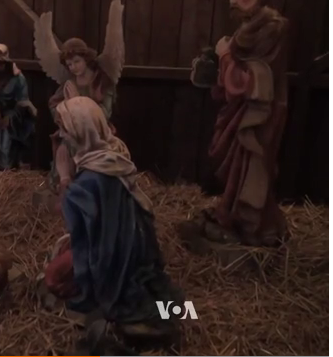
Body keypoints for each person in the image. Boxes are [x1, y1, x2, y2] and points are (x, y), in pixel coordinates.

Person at [43, 96, 184, 340]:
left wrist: (64, 176)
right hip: (135, 245)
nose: (61, 134)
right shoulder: (113, 153)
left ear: (80, 132)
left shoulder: (88, 182)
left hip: (106, 253)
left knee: (53, 277)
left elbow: (69, 218)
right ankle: (176, 311)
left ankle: (143, 314)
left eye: (65, 129)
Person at [184, 0, 289, 247]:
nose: (233, 1)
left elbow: (255, 79)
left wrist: (226, 56)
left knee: (252, 164)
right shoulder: (247, 25)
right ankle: (230, 212)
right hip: (241, 109)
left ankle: (255, 225)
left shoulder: (271, 27)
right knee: (235, 165)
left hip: (260, 114)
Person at [33, 0, 124, 195]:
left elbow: (105, 111)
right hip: (73, 132)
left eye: (76, 62)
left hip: (98, 132)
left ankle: (95, 189)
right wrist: (65, 114)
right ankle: (66, 186)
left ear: (87, 59)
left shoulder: (102, 81)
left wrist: (81, 109)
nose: (73, 67)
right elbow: (54, 103)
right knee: (64, 148)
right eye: (69, 64)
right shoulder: (70, 81)